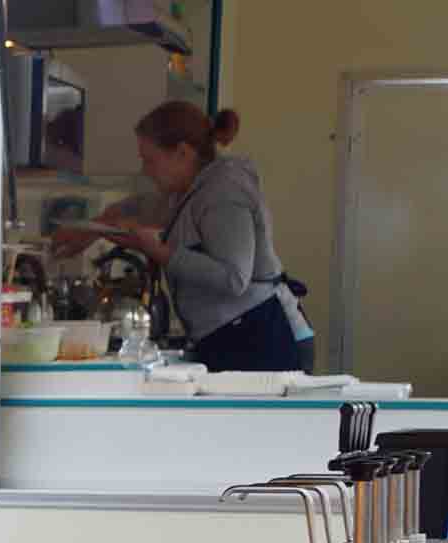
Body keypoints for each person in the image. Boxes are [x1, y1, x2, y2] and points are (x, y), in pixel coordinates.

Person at [110, 103, 306, 373]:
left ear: (182, 153)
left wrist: (163, 253)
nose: (146, 170)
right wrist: (102, 228)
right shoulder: (192, 190)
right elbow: (147, 206)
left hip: (260, 337)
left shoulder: (223, 191)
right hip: (238, 334)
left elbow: (234, 278)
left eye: (150, 160)